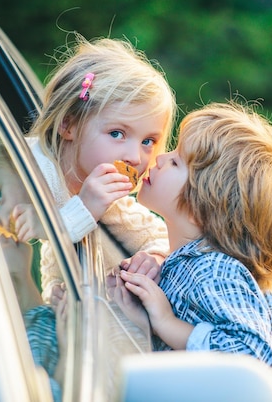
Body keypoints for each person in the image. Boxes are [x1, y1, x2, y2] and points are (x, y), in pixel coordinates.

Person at [111, 101, 272, 401]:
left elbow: (251, 359)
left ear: (203, 206)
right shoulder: (191, 261)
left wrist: (167, 324)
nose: (160, 157)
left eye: (177, 162)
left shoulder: (215, 270)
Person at [28, 34, 177, 303]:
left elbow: (161, 236)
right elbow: (12, 224)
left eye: (148, 141)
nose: (134, 157)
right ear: (68, 124)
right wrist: (83, 209)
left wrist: (153, 257)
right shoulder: (29, 167)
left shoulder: (108, 198)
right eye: (117, 133)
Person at [0, 115, 67, 401]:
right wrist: (71, 349)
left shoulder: (63, 211)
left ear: (19, 163)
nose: (1, 223)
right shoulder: (20, 339)